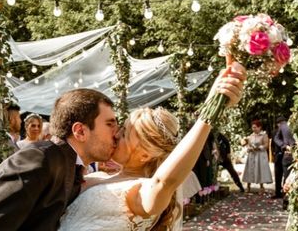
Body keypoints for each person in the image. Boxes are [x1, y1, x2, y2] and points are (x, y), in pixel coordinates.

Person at [58, 62, 246, 230]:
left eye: (124, 134)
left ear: (145, 155)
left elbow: (165, 182)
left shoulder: (141, 191)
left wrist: (210, 112)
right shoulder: (96, 176)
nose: (116, 134)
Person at [0, 88, 119, 230]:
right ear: (80, 131)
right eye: (109, 124)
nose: (116, 133)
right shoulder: (38, 159)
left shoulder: (71, 165)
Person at [242, 119, 272, 192]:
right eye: (253, 127)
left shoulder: (264, 135)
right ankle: (248, 186)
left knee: (260, 169)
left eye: (255, 127)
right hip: (252, 155)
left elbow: (266, 145)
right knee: (250, 169)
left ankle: (261, 187)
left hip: (260, 155)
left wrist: (259, 148)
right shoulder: (251, 136)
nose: (254, 129)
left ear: (259, 127)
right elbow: (248, 145)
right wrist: (249, 148)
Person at [274, 115, 295, 204]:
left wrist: (283, 146)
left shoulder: (283, 126)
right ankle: (287, 200)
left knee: (287, 177)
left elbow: (276, 138)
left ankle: (286, 201)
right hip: (291, 154)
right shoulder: (285, 126)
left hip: (288, 154)